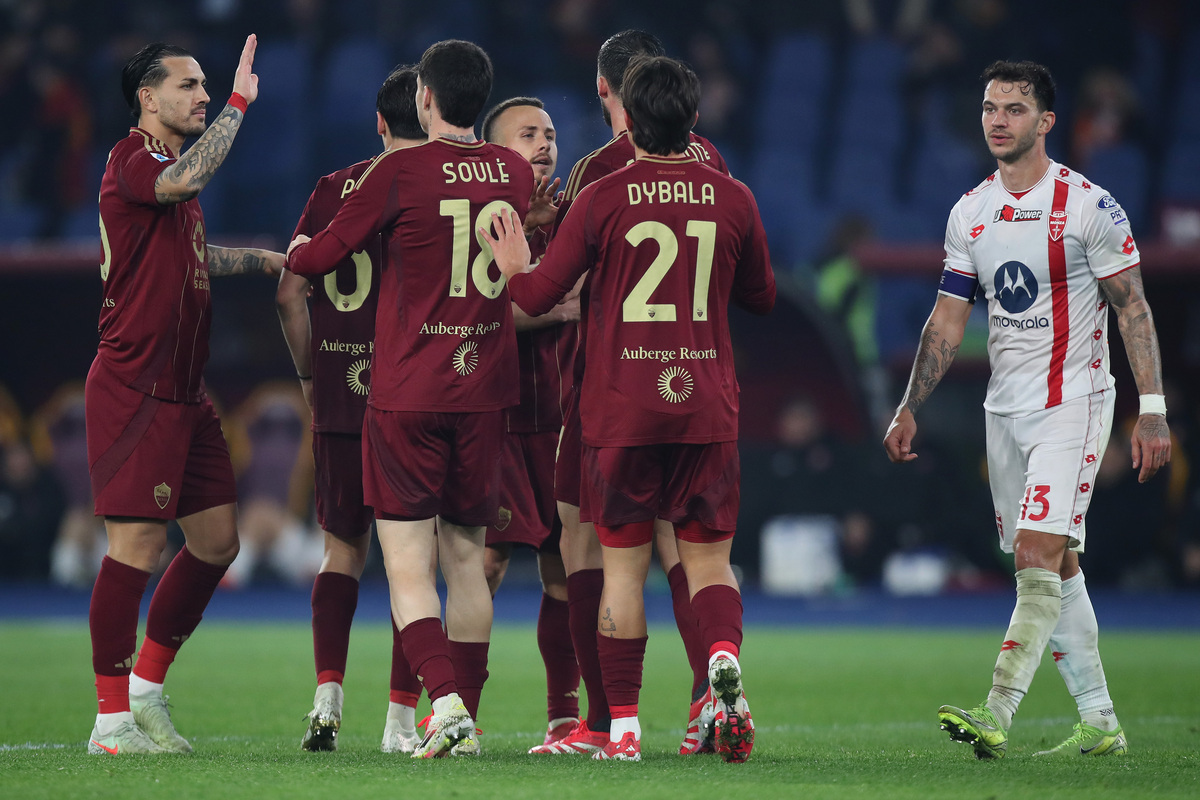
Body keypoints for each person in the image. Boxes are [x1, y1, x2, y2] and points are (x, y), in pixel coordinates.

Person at [483, 54, 775, 763]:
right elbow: (762, 298)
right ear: (696, 120)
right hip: (705, 407)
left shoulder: (604, 197)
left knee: (621, 572)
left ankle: (622, 730)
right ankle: (722, 661)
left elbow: (532, 298)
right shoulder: (733, 198)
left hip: (622, 412)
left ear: (628, 121)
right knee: (709, 565)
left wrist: (517, 258)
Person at [883, 60, 1172, 760]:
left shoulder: (1089, 206)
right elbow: (947, 323)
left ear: (1045, 121)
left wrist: (1154, 409)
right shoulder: (970, 212)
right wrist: (908, 404)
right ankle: (1101, 723)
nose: (997, 120)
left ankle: (998, 709)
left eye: (1014, 109)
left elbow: (1131, 304)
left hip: (1074, 402)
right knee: (1050, 567)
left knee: (1038, 550)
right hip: (1003, 411)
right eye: (989, 107)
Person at [286, 39, 534, 759]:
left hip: (407, 393)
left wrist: (291, 252)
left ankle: (445, 701)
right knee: (467, 560)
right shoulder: (514, 172)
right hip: (485, 392)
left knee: (404, 565)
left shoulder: (399, 169)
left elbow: (321, 257)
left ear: (424, 98)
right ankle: (467, 723)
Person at [531, 28, 733, 759]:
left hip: (608, 391)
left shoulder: (601, 172)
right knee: (693, 550)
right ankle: (705, 704)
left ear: (604, 89)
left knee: (588, 545)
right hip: (698, 385)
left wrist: (530, 242)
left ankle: (600, 723)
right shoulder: (713, 165)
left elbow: (560, 285)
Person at [87, 36, 284, 756]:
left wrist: (260, 260)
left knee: (216, 542)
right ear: (148, 97)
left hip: (185, 388)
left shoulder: (166, 167)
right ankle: (110, 723)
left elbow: (187, 255)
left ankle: (145, 688)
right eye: (189, 85)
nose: (201, 95)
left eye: (207, 86)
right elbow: (185, 188)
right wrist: (238, 102)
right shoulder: (134, 159)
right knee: (135, 547)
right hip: (137, 383)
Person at [277, 64, 429, 754]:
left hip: (340, 394)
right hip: (411, 396)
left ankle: (326, 699)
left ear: (377, 122)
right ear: (432, 114)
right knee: (411, 563)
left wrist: (313, 373)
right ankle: (400, 721)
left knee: (342, 551)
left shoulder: (335, 188)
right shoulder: (435, 191)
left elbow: (288, 292)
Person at [479, 96, 584, 748]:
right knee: (480, 567)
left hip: (560, 420)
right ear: (494, 152)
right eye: (528, 135)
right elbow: (495, 315)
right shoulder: (477, 220)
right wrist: (561, 302)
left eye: (549, 134)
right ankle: (442, 709)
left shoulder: (573, 218)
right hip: (492, 420)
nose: (544, 144)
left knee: (564, 571)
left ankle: (563, 716)